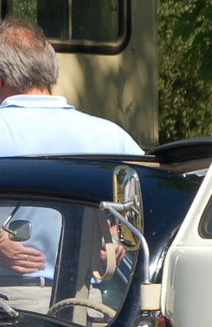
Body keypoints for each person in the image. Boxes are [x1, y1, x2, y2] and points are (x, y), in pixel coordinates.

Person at [0, 18, 143, 286]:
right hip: (87, 304)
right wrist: (118, 235)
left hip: (11, 300)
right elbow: (151, 197)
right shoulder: (110, 136)